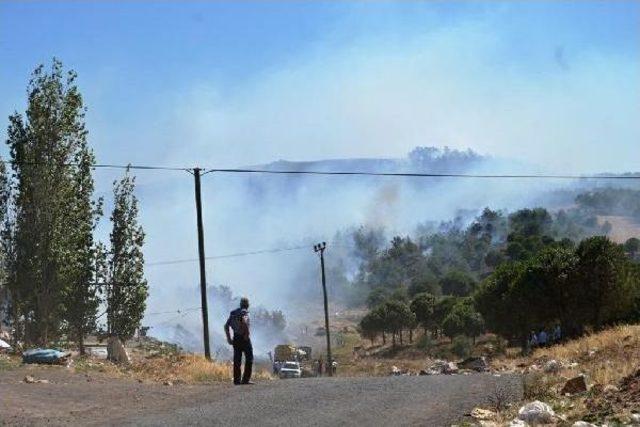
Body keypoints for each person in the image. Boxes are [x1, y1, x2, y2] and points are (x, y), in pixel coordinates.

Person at [224, 297, 253, 385]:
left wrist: (229, 338)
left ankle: (237, 380)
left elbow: (226, 326)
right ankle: (245, 380)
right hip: (244, 338)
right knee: (249, 358)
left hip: (236, 338)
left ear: (240, 304)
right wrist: (247, 334)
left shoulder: (233, 313)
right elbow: (244, 322)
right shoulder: (245, 312)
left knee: (237, 359)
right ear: (247, 305)